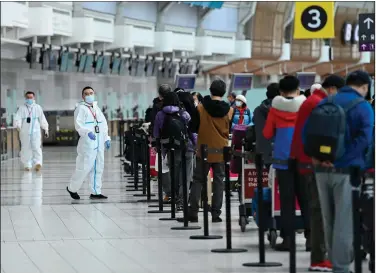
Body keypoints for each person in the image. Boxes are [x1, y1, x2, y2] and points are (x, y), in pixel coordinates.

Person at [309, 71, 374, 273]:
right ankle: (341, 267)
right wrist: (343, 159)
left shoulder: (326, 102)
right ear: (364, 87)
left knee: (328, 219)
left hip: (320, 169)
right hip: (346, 171)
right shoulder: (363, 107)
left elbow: (307, 132)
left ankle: (333, 258)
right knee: (344, 220)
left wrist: (319, 158)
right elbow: (365, 139)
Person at [290, 75, 345, 271]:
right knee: (319, 209)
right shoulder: (318, 104)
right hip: (312, 163)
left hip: (306, 161)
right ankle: (319, 258)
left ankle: (319, 254)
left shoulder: (313, 102)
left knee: (317, 208)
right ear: (332, 89)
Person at [263, 75, 307, 251]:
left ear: (280, 92)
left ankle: (288, 240)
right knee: (306, 198)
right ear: (298, 90)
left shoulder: (275, 109)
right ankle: (311, 238)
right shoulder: (305, 107)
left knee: (287, 201)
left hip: (282, 160)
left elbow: (266, 133)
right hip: (303, 158)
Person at [183, 78, 234, 223]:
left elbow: (193, 127)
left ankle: (193, 212)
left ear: (210, 91)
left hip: (203, 150)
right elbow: (229, 129)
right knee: (218, 181)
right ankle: (216, 214)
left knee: (198, 179)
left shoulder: (200, 108)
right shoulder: (229, 111)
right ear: (224, 93)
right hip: (221, 149)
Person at [66, 86, 111, 200]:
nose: (89, 95)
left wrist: (106, 138)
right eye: (86, 93)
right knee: (84, 167)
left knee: (98, 167)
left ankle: (96, 192)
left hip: (99, 142)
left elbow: (103, 124)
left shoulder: (97, 108)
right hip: (88, 143)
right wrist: (87, 132)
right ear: (83, 96)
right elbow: (78, 125)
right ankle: (72, 188)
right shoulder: (81, 108)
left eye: (91, 93)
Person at [153, 92, 193, 210]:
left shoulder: (160, 114)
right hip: (187, 147)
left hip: (171, 148)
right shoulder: (184, 113)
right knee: (186, 176)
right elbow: (191, 131)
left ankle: (175, 198)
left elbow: (156, 133)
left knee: (174, 175)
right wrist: (195, 145)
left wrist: (158, 145)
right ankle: (182, 201)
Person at [14, 91, 49, 172]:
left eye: (31, 97)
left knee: (36, 147)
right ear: (25, 98)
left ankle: (38, 163)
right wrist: (18, 126)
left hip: (35, 131)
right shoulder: (22, 108)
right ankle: (27, 164)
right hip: (25, 132)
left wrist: (46, 129)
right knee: (26, 148)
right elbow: (17, 118)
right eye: (28, 97)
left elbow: (42, 119)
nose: (29, 99)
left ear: (34, 98)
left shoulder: (38, 107)